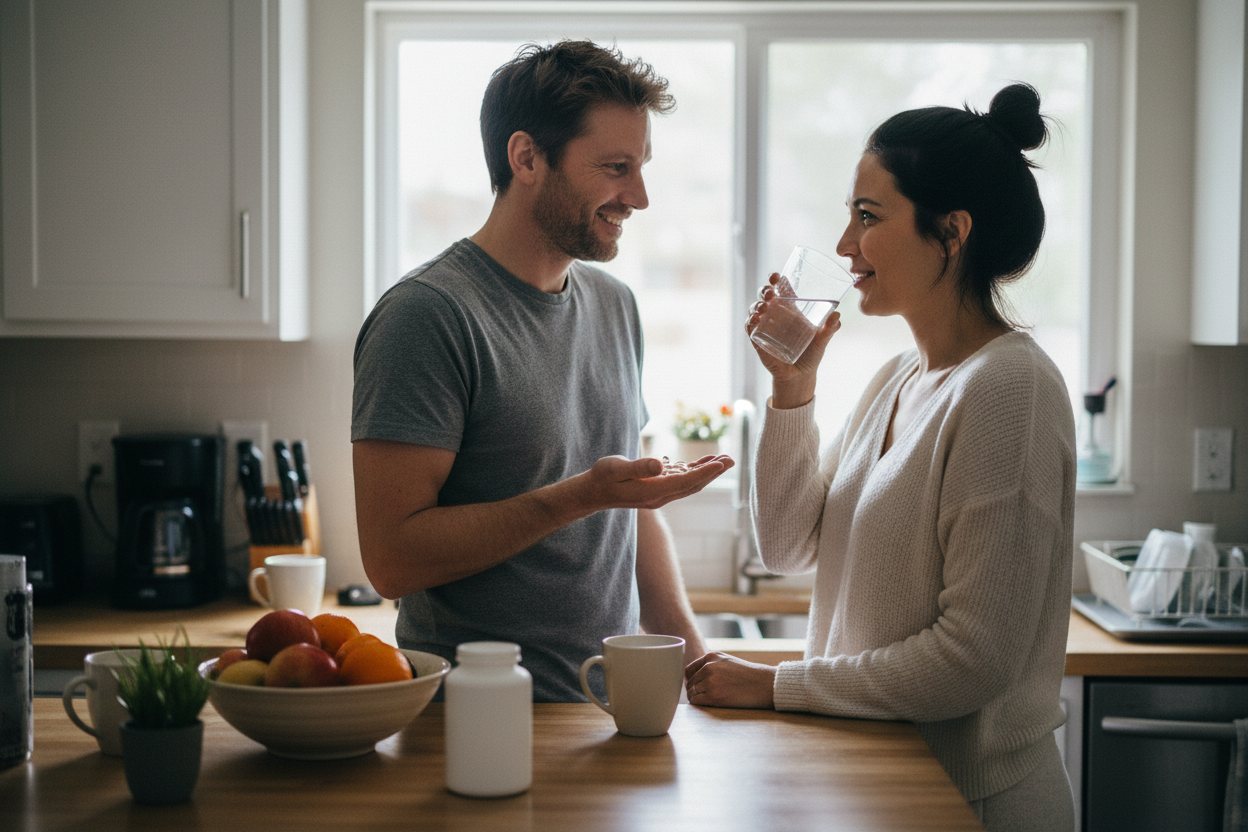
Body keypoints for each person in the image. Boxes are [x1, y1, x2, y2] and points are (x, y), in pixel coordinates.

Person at [684, 83, 1076, 832]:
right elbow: (787, 546)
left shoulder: (1010, 390)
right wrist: (793, 389)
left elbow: (973, 660)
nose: (842, 246)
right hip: (879, 790)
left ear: (952, 232)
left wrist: (776, 685)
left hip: (974, 805)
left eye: (868, 217)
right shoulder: (898, 377)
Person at [352, 40, 729, 703]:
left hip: (602, 716)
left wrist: (697, 669)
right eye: (615, 167)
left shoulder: (615, 305)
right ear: (526, 157)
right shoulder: (428, 316)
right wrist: (584, 494)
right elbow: (392, 559)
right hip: (469, 718)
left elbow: (631, 512)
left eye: (641, 168)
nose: (637, 196)